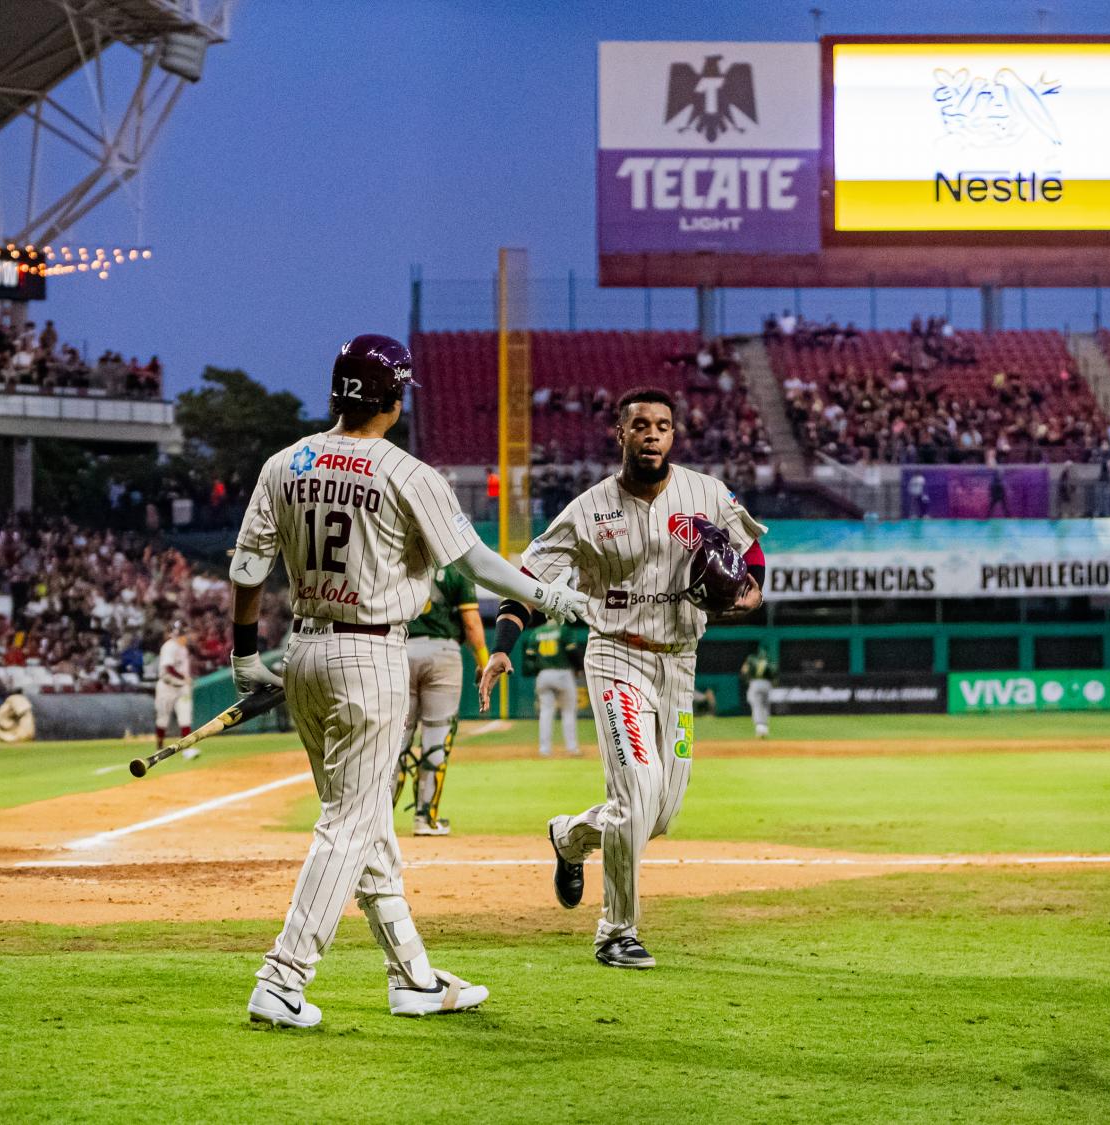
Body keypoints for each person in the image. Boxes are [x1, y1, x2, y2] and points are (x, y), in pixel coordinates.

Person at [228, 333, 590, 1028]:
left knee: (367, 826)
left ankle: (414, 976)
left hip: (302, 649)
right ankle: (282, 978)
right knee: (351, 822)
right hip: (370, 655)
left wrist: (246, 656)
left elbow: (247, 570)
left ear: (336, 392)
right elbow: (479, 564)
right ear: (395, 399)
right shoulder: (408, 471)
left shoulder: (284, 462)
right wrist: (552, 598)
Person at [479, 387, 767, 971]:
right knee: (636, 789)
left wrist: (750, 595)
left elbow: (752, 556)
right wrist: (505, 646)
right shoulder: (588, 510)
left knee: (659, 815)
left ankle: (570, 838)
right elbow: (528, 580)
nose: (652, 434)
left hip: (680, 664)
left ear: (674, 435)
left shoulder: (706, 493)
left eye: (663, 425)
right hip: (616, 657)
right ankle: (617, 932)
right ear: (621, 435)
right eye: (640, 425)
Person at [394, 563, 486, 836]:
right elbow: (471, 622)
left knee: (393, 740)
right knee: (436, 739)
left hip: (399, 650)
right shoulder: (457, 568)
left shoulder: (398, 562)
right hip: (443, 654)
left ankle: (378, 822)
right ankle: (426, 818)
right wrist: (483, 661)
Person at [523, 619, 583, 757]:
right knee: (568, 711)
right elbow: (572, 651)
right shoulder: (564, 630)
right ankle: (572, 748)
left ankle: (544, 750)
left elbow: (529, 658)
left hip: (543, 674)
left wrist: (537, 671)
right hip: (563, 673)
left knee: (545, 712)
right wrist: (579, 667)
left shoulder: (536, 632)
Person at [154, 621, 194, 752]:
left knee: (185, 717)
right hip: (167, 687)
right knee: (163, 718)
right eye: (184, 633)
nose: (186, 636)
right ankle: (159, 748)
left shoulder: (183, 648)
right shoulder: (169, 646)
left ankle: (186, 750)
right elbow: (168, 667)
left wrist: (184, 679)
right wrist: (183, 677)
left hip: (182, 687)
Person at [741, 645, 777, 739]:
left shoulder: (752, 660)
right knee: (765, 705)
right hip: (767, 684)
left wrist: (747, 679)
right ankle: (764, 727)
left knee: (756, 705)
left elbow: (744, 670)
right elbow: (774, 673)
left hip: (755, 683)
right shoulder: (769, 661)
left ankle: (760, 727)